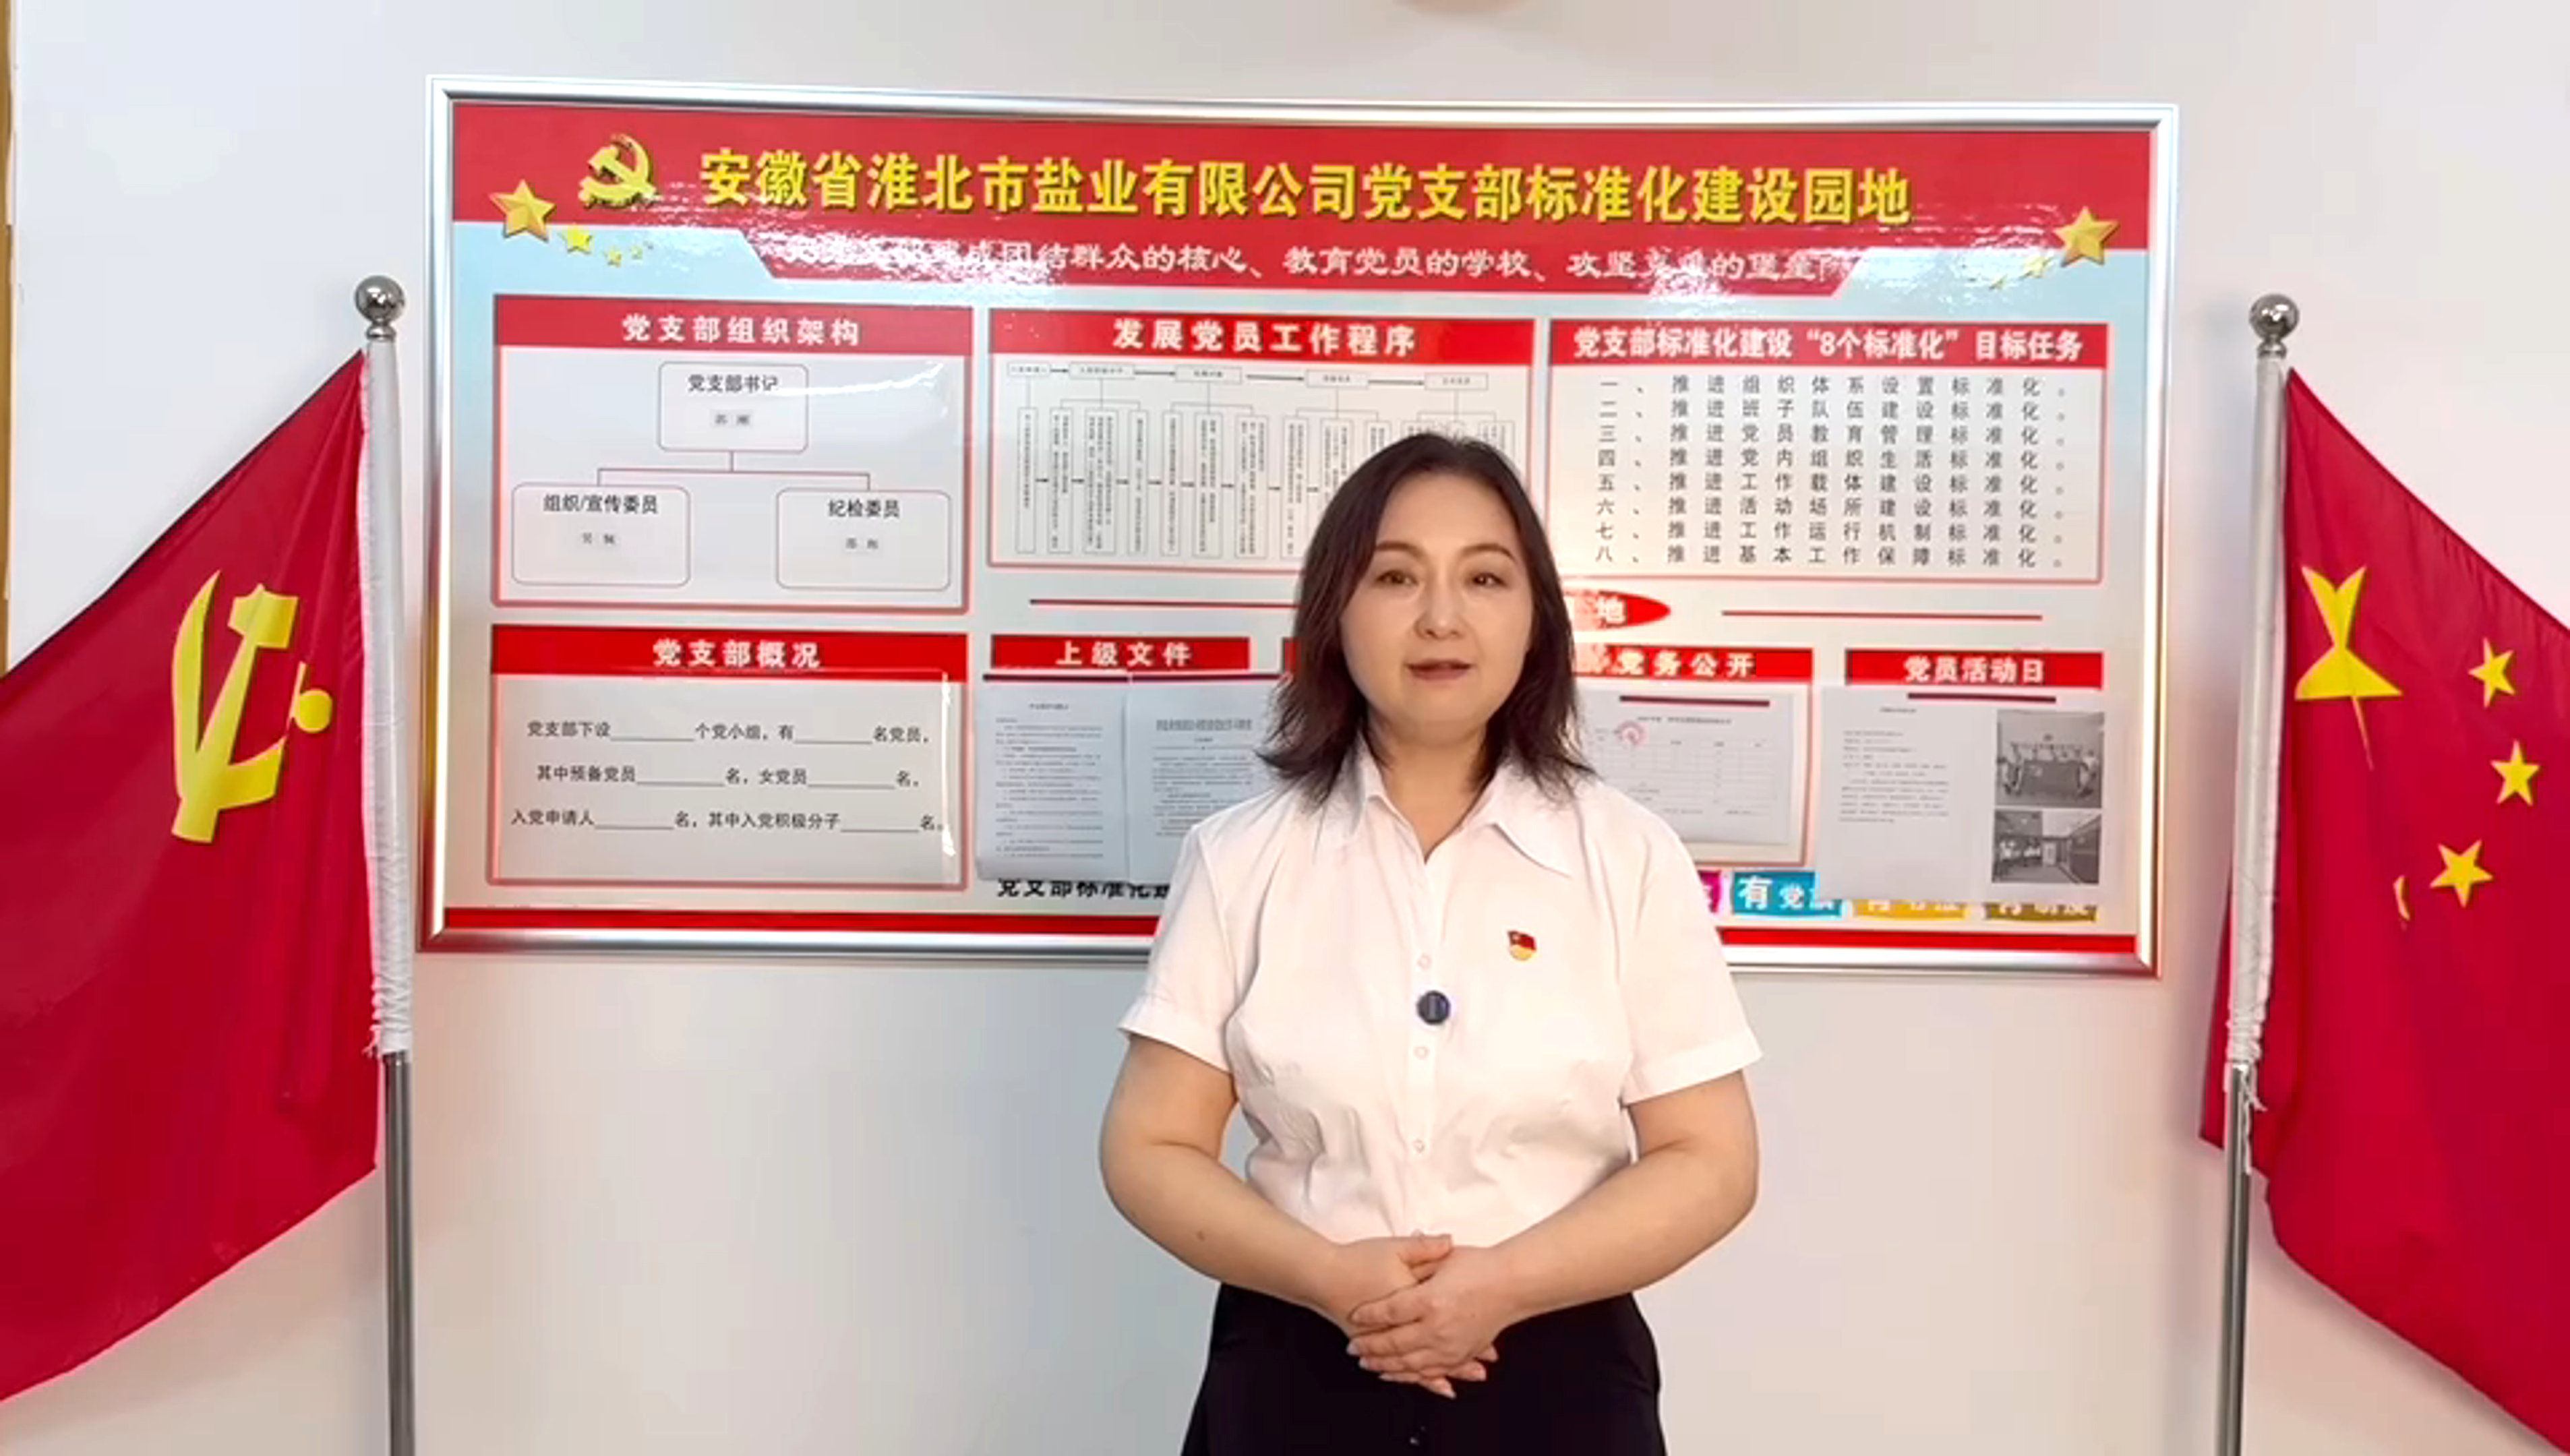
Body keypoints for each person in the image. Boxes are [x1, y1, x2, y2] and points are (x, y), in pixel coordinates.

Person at [1097, 432, 1763, 1453]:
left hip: (1560, 1370)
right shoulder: (1241, 857)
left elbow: (1710, 1158)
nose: (1441, 616)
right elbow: (1151, 1146)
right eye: (1396, 576)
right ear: (1336, 612)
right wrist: (1332, 1278)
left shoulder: (1628, 855)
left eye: (1485, 578)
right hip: (1300, 1356)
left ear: (1536, 619)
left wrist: (1501, 1286)